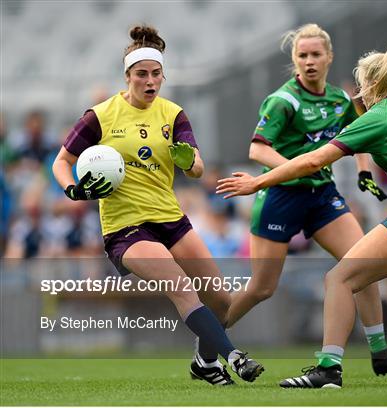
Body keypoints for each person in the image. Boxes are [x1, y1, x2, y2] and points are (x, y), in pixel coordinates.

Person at [217, 46, 387, 387]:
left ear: (374, 83)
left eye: (363, 85)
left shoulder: (381, 114)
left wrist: (258, 180)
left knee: (339, 279)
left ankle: (328, 369)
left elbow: (314, 161)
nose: (360, 93)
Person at [51, 25, 263, 386]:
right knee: (181, 287)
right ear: (127, 76)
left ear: (163, 76)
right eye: (141, 75)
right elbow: (61, 161)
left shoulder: (173, 114)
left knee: (222, 301)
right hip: (125, 227)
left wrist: (188, 161)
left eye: (156, 74)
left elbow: (196, 168)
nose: (150, 81)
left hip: (171, 218)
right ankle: (234, 356)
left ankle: (204, 362)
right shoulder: (100, 116)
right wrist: (73, 191)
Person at [225, 23, 387, 377]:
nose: (309, 61)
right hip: (281, 197)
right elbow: (257, 148)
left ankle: (380, 353)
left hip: (322, 195)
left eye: (315, 54)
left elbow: (357, 137)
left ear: (329, 57)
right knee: (262, 287)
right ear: (295, 60)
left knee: (363, 264)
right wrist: (296, 169)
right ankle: (209, 343)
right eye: (302, 55)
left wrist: (363, 171)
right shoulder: (284, 100)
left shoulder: (340, 99)